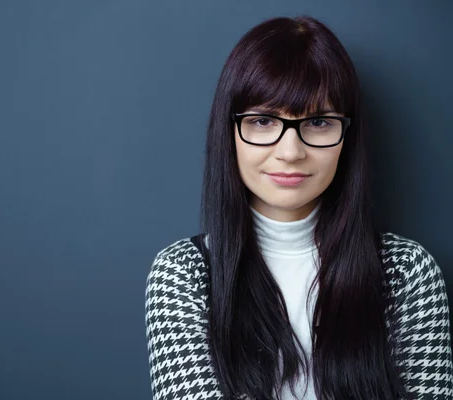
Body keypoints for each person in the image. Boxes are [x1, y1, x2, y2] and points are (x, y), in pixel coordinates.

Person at [144, 15, 452, 400]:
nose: (290, 152)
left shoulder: (405, 271)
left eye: (319, 121)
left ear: (346, 138)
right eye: (261, 121)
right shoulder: (184, 274)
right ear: (229, 132)